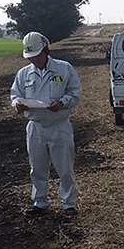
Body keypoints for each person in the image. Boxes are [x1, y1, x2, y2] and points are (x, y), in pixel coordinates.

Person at [10, 31, 82, 218]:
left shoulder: (64, 68)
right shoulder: (23, 74)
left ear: (46, 49)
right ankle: (40, 202)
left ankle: (68, 203)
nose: (34, 60)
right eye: (30, 57)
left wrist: (62, 103)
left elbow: (75, 92)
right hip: (35, 126)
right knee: (37, 167)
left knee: (64, 167)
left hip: (59, 125)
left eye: (37, 55)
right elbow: (15, 94)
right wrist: (17, 105)